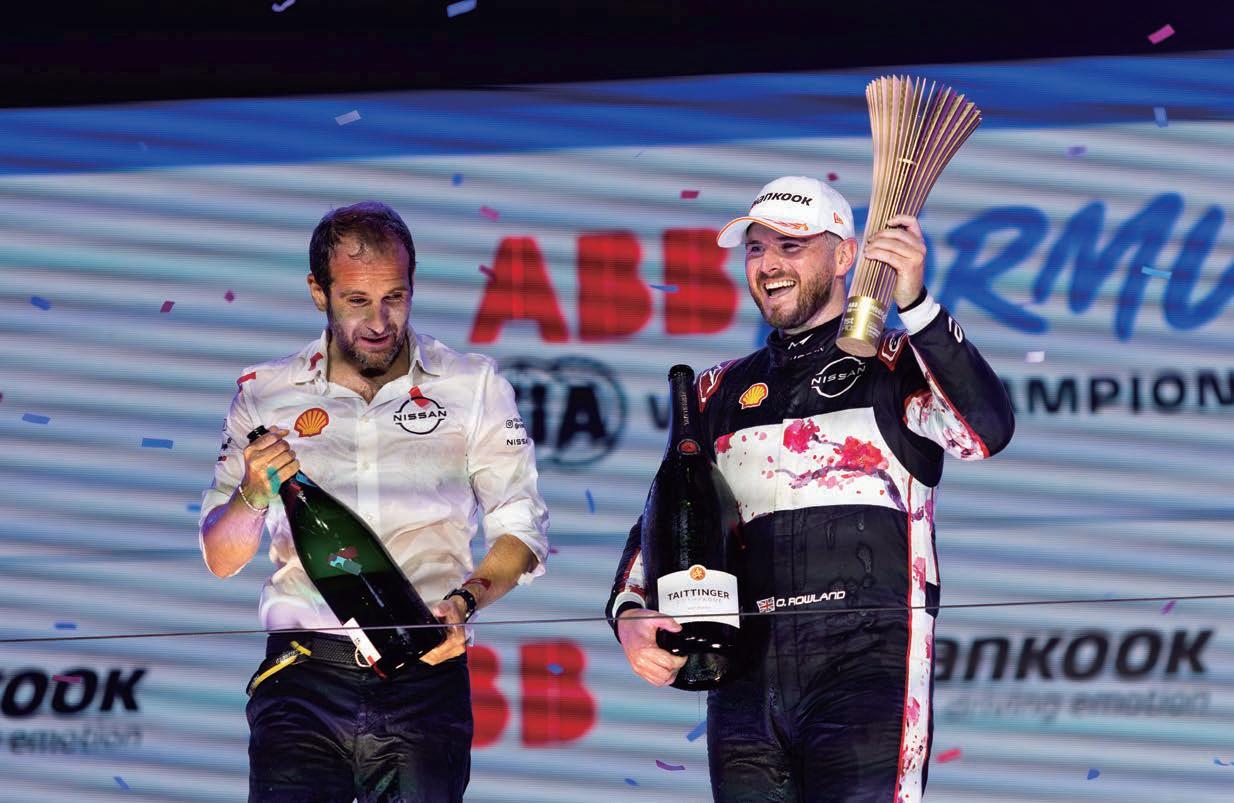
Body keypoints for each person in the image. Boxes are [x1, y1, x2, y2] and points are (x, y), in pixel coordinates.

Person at [606, 176, 1014, 802]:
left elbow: (984, 431)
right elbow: (662, 522)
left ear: (845, 255)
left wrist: (918, 304)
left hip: (868, 669)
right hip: (744, 682)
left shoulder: (897, 363)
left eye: (790, 247)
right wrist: (630, 614)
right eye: (755, 248)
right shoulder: (717, 390)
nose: (768, 264)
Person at [198, 201, 549, 803]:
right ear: (319, 292)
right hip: (302, 674)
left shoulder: (473, 384)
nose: (380, 321)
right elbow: (221, 558)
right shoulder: (263, 393)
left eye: (395, 297)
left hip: (425, 671)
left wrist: (465, 601)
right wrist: (252, 495)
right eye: (357, 301)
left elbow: (521, 529)